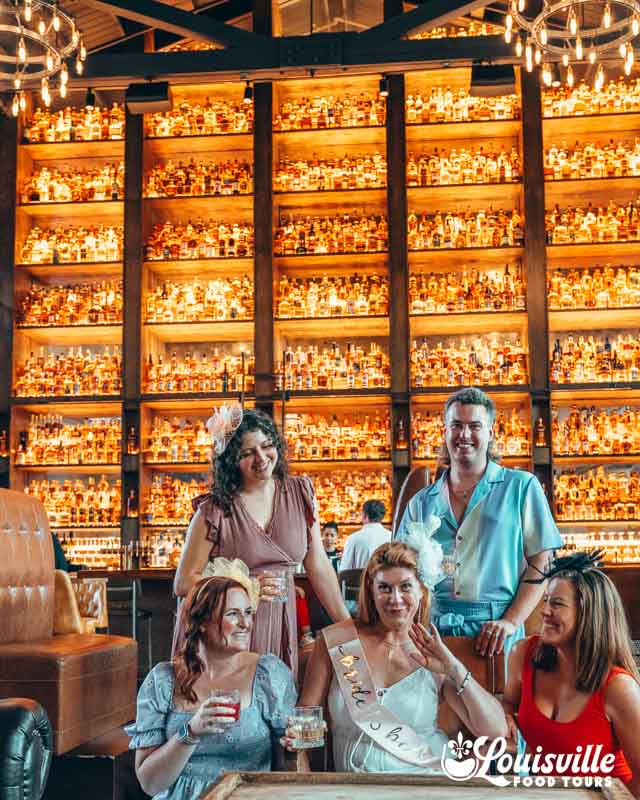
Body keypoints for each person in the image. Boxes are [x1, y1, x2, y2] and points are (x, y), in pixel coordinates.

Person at [295, 541, 508, 773]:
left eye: (406, 587)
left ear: (421, 591)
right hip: (352, 790)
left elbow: (495, 730)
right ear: (371, 591)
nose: (395, 599)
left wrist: (453, 668)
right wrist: (295, 740)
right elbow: (306, 719)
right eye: (385, 588)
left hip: (425, 782)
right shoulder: (336, 641)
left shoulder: (433, 651)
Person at [174, 405, 349, 678]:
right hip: (228, 627)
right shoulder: (214, 510)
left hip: (280, 617)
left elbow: (318, 565)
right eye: (247, 453)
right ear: (231, 460)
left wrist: (346, 625)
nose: (261, 458)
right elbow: (183, 581)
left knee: (274, 702)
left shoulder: (300, 492)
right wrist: (247, 586)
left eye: (267, 446)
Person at [396, 387, 563, 659]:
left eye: (475, 426)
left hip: (496, 631)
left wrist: (510, 621)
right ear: (445, 432)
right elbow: (400, 567)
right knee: (434, 702)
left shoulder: (521, 487)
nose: (464, 434)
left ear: (490, 433)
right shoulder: (421, 502)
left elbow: (542, 562)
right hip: (432, 632)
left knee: (497, 702)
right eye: (456, 425)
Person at [127, 569, 297, 800]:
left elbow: (288, 771)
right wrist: (191, 732)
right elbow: (150, 783)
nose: (245, 623)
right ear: (202, 622)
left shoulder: (268, 674)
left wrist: (295, 750)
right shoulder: (163, 680)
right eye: (232, 614)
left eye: (248, 612)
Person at [503, 552, 640, 796]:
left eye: (556, 603)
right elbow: (509, 703)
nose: (544, 611)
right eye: (545, 600)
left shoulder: (619, 688)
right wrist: (506, 717)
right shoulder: (523, 654)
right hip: (547, 794)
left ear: (588, 613)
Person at [339, 500, 391, 571]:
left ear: (364, 515)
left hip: (359, 581)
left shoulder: (353, 538)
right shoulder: (391, 537)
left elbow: (345, 571)